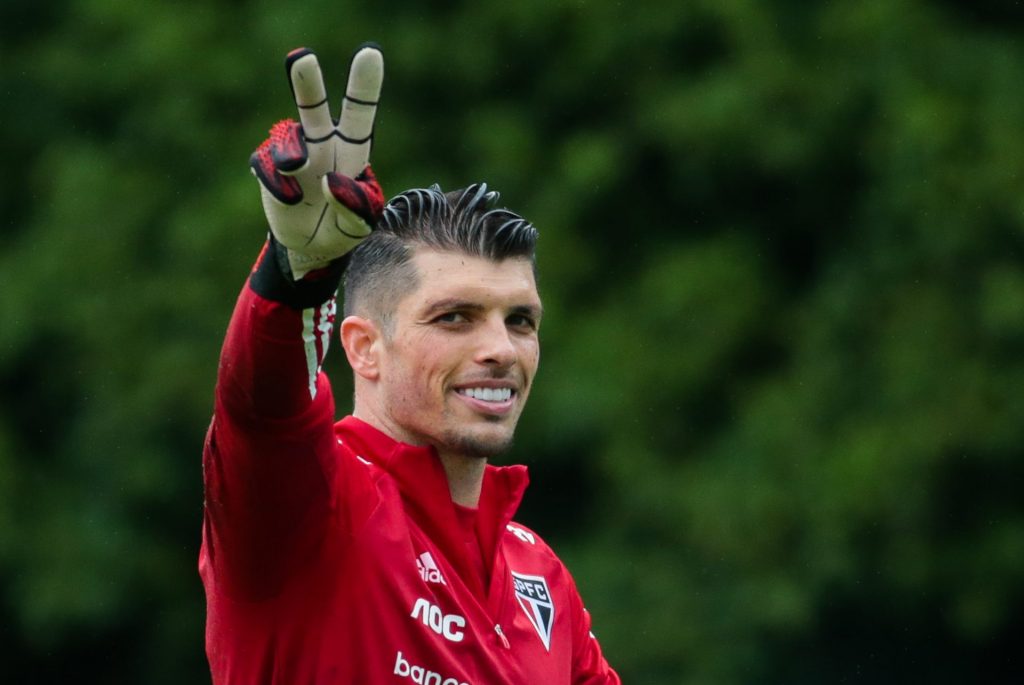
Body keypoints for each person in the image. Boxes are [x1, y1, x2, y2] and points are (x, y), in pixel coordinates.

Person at [200, 43, 621, 685]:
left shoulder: (540, 576)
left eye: (520, 321)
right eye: (454, 317)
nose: (501, 350)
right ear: (364, 346)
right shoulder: (312, 509)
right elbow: (261, 413)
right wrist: (297, 280)